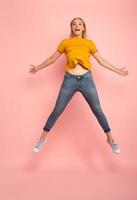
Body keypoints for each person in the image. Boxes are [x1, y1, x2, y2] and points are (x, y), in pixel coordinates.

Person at [29, 17, 128, 154]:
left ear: (83, 27)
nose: (77, 26)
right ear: (71, 27)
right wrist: (37, 68)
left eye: (79, 24)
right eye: (74, 24)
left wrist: (119, 71)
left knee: (97, 110)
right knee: (57, 110)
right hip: (69, 80)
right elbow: (52, 59)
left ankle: (110, 139)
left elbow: (102, 61)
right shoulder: (65, 43)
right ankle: (42, 139)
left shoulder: (89, 43)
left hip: (86, 80)